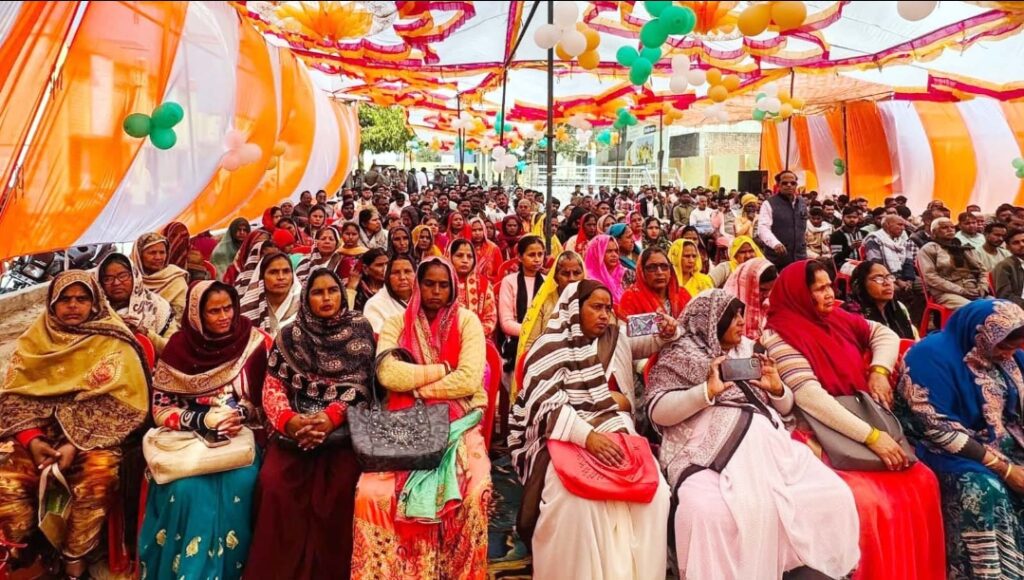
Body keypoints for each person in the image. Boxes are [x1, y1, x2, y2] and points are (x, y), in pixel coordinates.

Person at [647, 289, 859, 580]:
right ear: (709, 321)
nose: (740, 321)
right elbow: (658, 411)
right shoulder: (680, 356)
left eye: (741, 314)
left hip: (770, 451)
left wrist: (777, 389)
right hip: (708, 455)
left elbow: (784, 406)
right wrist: (706, 392)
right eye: (731, 316)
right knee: (705, 512)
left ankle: (799, 566)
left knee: (833, 494)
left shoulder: (750, 350)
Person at [761, 260, 946, 580]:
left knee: (923, 480)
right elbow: (810, 398)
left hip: (859, 415)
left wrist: (879, 371)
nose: (829, 294)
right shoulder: (779, 336)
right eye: (819, 289)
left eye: (829, 286)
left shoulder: (837, 319)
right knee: (867, 499)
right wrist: (872, 437)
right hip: (817, 429)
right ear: (799, 294)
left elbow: (884, 334)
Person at [508, 280, 674, 580]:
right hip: (558, 433)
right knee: (577, 502)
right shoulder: (548, 346)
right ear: (575, 307)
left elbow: (653, 341)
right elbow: (543, 406)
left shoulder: (616, 336)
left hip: (612, 422)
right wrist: (588, 437)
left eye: (608, 309)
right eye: (596, 307)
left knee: (656, 494)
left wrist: (668, 332)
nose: (604, 315)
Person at [0, 271, 150, 579]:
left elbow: (126, 402)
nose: (73, 305)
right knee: (7, 478)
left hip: (95, 436)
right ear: (51, 303)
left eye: (82, 299)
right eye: (64, 299)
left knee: (98, 478)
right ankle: (24, 555)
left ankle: (74, 561)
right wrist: (32, 440)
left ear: (94, 303)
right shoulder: (34, 341)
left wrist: (74, 443)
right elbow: (13, 397)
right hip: (35, 433)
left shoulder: (115, 342)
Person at [351, 258, 491, 579]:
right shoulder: (396, 324)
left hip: (458, 421)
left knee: (475, 492)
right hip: (403, 421)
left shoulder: (467, 322)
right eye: (429, 284)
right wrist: (443, 370)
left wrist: (415, 387)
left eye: (443, 285)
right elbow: (388, 373)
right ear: (418, 284)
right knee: (371, 495)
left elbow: (469, 380)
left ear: (452, 287)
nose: (436, 291)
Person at [248, 270, 375, 580]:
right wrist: (291, 422)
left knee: (342, 488)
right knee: (273, 483)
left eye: (333, 290)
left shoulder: (359, 329)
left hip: (342, 434)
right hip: (295, 432)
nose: (327, 298)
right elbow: (273, 387)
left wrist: (329, 418)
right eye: (318, 292)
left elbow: (362, 386)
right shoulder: (289, 336)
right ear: (306, 298)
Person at [139, 281, 269, 580]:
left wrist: (238, 414)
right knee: (186, 491)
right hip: (186, 440)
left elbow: (263, 401)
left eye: (228, 308)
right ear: (197, 314)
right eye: (214, 311)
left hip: (238, 438)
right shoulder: (179, 348)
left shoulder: (252, 343)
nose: (224, 317)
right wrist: (201, 420)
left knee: (243, 481)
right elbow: (160, 409)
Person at [899, 299, 1024, 579]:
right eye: (1003, 347)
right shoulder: (930, 357)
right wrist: (1006, 470)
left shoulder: (1011, 357)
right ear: (980, 334)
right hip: (946, 447)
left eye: (1015, 348)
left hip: (1003, 440)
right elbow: (936, 427)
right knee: (985, 489)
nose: (1008, 354)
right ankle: (990, 573)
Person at [513, 251, 586, 398]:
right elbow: (530, 345)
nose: (572, 279)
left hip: (584, 367)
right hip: (547, 369)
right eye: (565, 273)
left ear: (584, 275)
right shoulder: (544, 303)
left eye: (577, 273)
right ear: (555, 277)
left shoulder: (591, 301)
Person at [98, 253, 178, 353]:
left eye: (123, 276)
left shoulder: (158, 306)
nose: (116, 283)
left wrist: (146, 333)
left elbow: (173, 349)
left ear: (134, 276)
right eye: (108, 279)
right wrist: (110, 324)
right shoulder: (96, 310)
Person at [917, 218, 989, 309]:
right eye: (944, 227)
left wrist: (982, 288)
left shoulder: (964, 247)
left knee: (1001, 306)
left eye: (952, 227)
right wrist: (961, 291)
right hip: (947, 293)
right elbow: (930, 277)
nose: (950, 229)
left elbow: (983, 271)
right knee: (978, 309)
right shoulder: (929, 249)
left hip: (974, 290)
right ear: (934, 232)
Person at [498, 236, 546, 368]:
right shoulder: (509, 281)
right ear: (519, 257)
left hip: (544, 342)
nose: (537, 259)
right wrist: (533, 333)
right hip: (516, 342)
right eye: (531, 255)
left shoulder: (548, 283)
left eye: (540, 254)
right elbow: (506, 323)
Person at [840, 260, 918, 340]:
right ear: (861, 284)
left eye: (889, 277)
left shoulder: (899, 307)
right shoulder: (850, 314)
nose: (887, 283)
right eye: (879, 278)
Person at [239, 253, 302, 338]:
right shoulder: (245, 312)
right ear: (261, 277)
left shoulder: (304, 306)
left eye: (286, 271)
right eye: (273, 272)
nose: (281, 277)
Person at [618, 247, 690, 319]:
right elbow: (626, 324)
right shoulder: (631, 298)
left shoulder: (682, 294)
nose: (660, 272)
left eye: (664, 266)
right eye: (652, 267)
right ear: (642, 272)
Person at [132, 232, 189, 320]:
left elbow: (178, 317)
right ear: (139, 255)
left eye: (162, 252)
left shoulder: (175, 278)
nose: (158, 257)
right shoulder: (129, 278)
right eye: (152, 253)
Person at [758, 170, 808, 270]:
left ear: (796, 185)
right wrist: (775, 243)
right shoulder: (769, 204)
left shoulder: (802, 202)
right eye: (785, 183)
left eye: (793, 183)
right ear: (778, 185)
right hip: (777, 259)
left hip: (800, 257)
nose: (789, 185)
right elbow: (763, 228)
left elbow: (803, 226)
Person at [447, 239, 498, 337]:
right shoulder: (442, 283)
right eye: (459, 255)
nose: (465, 260)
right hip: (445, 338)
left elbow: (490, 318)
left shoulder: (483, 284)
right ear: (449, 257)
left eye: (470, 256)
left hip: (477, 337)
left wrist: (472, 335)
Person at [722, 257, 776, 341]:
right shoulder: (725, 309)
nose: (767, 295)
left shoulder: (768, 305)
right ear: (748, 285)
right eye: (762, 290)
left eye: (771, 289)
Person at [362, 255, 414, 334]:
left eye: (407, 271)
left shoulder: (425, 300)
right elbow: (380, 337)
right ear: (387, 277)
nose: (402, 277)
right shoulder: (374, 305)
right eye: (396, 272)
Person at [864, 215, 917, 291]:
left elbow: (908, 262)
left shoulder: (902, 241)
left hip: (904, 276)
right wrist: (898, 281)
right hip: (882, 276)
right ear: (887, 225)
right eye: (899, 225)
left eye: (904, 225)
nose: (903, 228)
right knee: (895, 289)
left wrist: (909, 280)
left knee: (925, 285)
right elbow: (877, 264)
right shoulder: (874, 239)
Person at [583, 233, 628, 305]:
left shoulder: (624, 274)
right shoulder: (588, 282)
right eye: (609, 251)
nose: (614, 255)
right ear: (597, 253)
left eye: (616, 251)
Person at [346, 248, 388, 313]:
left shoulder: (393, 287)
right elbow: (346, 313)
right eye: (379, 265)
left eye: (387, 264)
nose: (385, 269)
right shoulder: (356, 289)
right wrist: (351, 288)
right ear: (365, 268)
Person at [993, 227, 1024, 308]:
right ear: (1008, 247)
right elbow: (1005, 296)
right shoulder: (1004, 266)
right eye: (1016, 243)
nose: (1022, 245)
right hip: (1018, 308)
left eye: (1023, 241)